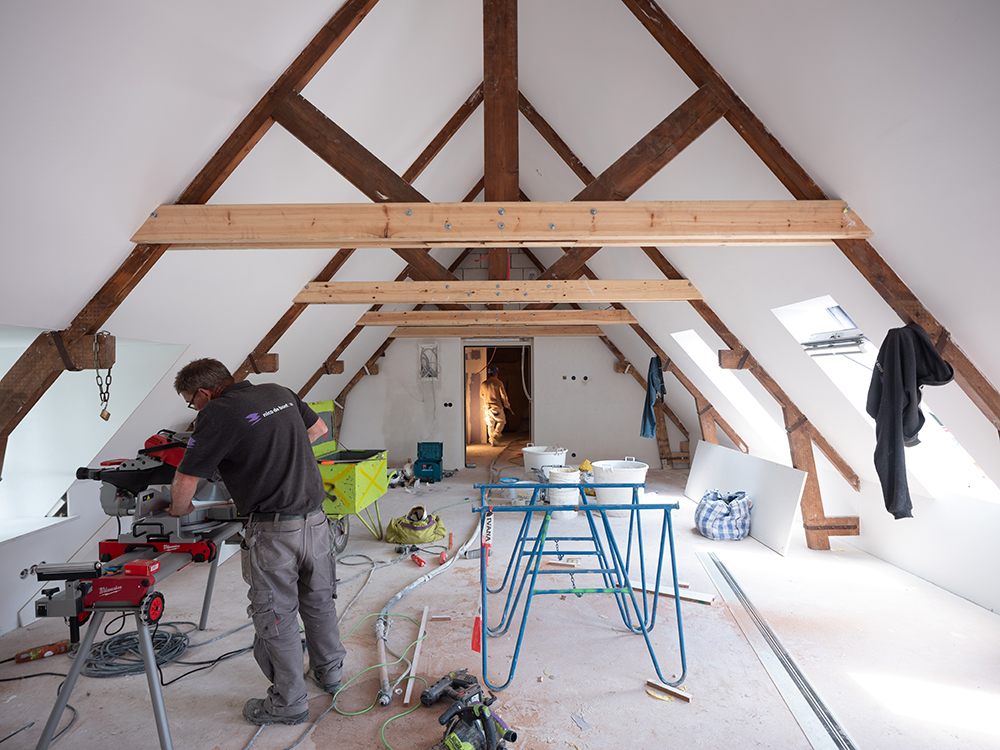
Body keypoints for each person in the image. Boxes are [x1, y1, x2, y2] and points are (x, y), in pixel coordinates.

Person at [167, 358, 346, 726]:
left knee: (276, 617)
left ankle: (289, 703)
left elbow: (186, 479)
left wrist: (177, 511)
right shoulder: (279, 391)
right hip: (316, 521)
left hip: (274, 532)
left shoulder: (216, 413)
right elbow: (318, 430)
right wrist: (276, 459)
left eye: (191, 401)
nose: (195, 408)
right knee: (319, 602)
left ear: (204, 392)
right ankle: (330, 675)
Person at [480, 366, 510, 446]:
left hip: (487, 408)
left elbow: (481, 395)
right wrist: (507, 405)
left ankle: (492, 441)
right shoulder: (498, 383)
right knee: (501, 421)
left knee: (490, 424)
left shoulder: (484, 384)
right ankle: (496, 435)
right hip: (496, 407)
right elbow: (503, 396)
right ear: (496, 374)